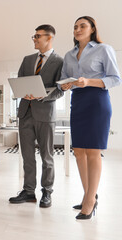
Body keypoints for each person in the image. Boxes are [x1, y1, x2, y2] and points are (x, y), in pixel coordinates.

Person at [60, 16, 121, 219]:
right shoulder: (68, 55)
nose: (78, 29)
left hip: (97, 101)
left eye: (82, 26)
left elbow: (114, 78)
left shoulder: (104, 49)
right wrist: (65, 85)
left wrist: (89, 81)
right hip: (77, 102)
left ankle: (89, 201)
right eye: (75, 26)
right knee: (78, 152)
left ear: (92, 28)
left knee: (93, 151)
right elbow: (62, 80)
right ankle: (90, 195)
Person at [9, 25, 64, 208]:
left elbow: (60, 90)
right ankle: (29, 191)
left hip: (45, 114)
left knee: (47, 156)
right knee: (27, 155)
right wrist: (22, 91)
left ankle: (47, 191)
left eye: (37, 36)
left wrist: (44, 95)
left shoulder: (60, 61)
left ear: (49, 38)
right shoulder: (27, 60)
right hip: (25, 112)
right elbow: (19, 81)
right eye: (34, 36)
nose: (34, 39)